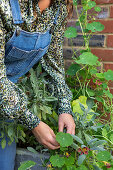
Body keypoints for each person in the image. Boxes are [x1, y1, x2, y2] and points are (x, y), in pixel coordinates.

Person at [0, 0, 75, 169]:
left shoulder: (58, 8)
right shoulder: (5, 5)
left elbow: (53, 62)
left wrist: (64, 107)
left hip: (9, 105)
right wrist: (33, 123)